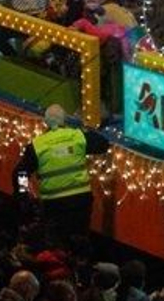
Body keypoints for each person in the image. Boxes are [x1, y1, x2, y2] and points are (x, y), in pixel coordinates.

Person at [14, 103, 109, 246]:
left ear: (46, 123)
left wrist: (23, 195)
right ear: (64, 120)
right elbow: (103, 144)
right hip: (80, 200)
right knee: (79, 241)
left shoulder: (37, 145)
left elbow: (20, 172)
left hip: (53, 203)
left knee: (56, 242)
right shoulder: (77, 136)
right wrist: (86, 129)